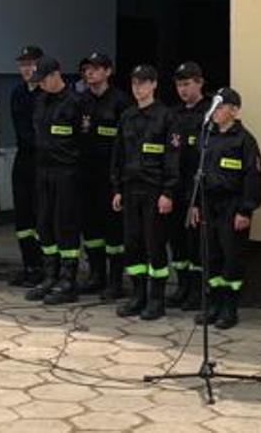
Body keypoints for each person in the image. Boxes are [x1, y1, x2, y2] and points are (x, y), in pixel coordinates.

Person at [190, 87, 261, 330]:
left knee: (232, 257)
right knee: (211, 256)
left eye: (221, 107)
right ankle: (213, 304)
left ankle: (230, 308)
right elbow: (198, 174)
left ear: (234, 110)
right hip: (209, 205)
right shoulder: (207, 136)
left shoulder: (244, 140)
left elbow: (253, 177)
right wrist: (197, 204)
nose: (216, 112)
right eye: (214, 107)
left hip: (232, 206)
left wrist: (246, 210)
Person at [111, 64, 176, 320]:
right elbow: (118, 155)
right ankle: (137, 295)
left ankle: (156, 299)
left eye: (143, 83)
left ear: (154, 84)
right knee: (133, 245)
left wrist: (168, 192)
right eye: (135, 83)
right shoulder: (127, 116)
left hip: (154, 190)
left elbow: (173, 158)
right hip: (130, 189)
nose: (138, 88)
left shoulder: (166, 117)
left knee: (155, 245)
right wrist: (116, 188)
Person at [25, 56, 86, 305]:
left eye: (43, 80)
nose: (40, 85)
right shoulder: (40, 101)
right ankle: (50, 275)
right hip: (44, 171)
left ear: (55, 75)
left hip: (67, 173)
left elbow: (84, 141)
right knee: (45, 223)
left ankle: (68, 280)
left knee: (65, 225)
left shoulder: (75, 103)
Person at [76, 52, 129, 300]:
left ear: (108, 72)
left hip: (111, 176)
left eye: (96, 69)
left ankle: (116, 281)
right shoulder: (81, 101)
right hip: (86, 175)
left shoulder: (120, 102)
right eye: (87, 69)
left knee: (113, 232)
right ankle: (96, 274)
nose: (90, 73)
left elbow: (127, 143)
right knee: (91, 228)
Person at [167, 62, 209, 311]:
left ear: (199, 82)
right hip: (176, 186)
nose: (183, 90)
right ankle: (182, 286)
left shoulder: (209, 112)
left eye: (187, 84)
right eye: (179, 85)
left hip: (198, 188)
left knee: (196, 243)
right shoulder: (174, 114)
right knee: (177, 241)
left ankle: (197, 290)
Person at [7, 45, 46, 288]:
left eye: (31, 64)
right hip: (24, 159)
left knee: (42, 216)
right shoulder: (17, 93)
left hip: (44, 161)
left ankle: (45, 267)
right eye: (22, 64)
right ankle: (29, 265)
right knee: (23, 218)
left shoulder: (47, 93)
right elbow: (22, 129)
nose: (26, 69)